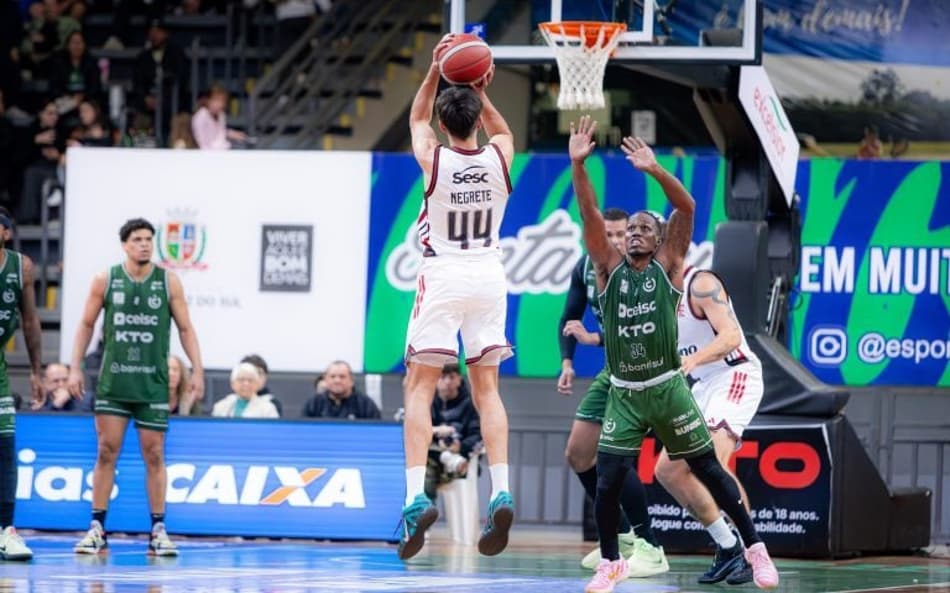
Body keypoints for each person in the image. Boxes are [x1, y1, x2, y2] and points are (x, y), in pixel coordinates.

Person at [569, 117, 779, 593]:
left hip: (698, 380)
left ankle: (753, 549)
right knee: (631, 474)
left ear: (663, 242)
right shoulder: (607, 270)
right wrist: (577, 166)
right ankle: (627, 560)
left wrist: (655, 169)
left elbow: (685, 205)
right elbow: (589, 215)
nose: (633, 235)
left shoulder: (680, 275)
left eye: (645, 228)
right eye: (628, 231)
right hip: (634, 389)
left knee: (710, 465)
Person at [399, 34, 515, 561]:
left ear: (446, 126)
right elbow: (504, 128)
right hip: (490, 275)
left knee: (418, 388)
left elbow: (417, 116)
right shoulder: (500, 157)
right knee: (487, 389)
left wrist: (435, 72)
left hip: (443, 275)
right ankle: (502, 491)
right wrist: (477, 86)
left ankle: (411, 499)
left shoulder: (433, 161)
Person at [67, 218, 204, 556]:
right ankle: (97, 527)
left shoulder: (168, 281)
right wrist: (75, 366)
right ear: (125, 245)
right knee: (105, 451)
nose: (145, 244)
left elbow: (186, 329)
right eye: (138, 239)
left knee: (155, 455)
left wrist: (198, 370)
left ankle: (158, 529)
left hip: (152, 383)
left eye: (148, 239)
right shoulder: (106, 278)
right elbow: (86, 323)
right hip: (115, 380)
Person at [557, 207, 668, 576]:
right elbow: (569, 316)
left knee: (613, 459)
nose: (617, 241)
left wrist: (595, 337)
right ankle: (620, 535)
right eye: (609, 235)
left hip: (644, 368)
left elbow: (641, 323)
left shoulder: (638, 268)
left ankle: (649, 543)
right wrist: (568, 363)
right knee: (578, 454)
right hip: (612, 370)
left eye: (622, 234)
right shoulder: (585, 267)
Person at [651, 267, 765, 584]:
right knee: (668, 471)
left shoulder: (700, 284)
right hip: (700, 386)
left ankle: (751, 552)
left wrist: (694, 360)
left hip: (734, 374)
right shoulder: (645, 296)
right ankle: (727, 546)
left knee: (710, 462)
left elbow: (731, 336)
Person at [0, 207, 43, 561]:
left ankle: (6, 530)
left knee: (4, 446)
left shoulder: (21, 267)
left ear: (6, 233)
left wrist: (35, 370)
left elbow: (30, 321)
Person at [425, 363, 481, 502]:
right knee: (423, 475)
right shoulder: (426, 402)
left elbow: (477, 435)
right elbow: (416, 433)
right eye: (443, 377)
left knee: (426, 473)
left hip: (462, 459)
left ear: (459, 379)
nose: (447, 381)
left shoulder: (470, 404)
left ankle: (451, 459)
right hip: (430, 459)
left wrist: (460, 447)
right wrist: (435, 430)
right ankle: (423, 517)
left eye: (452, 377)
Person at [301, 360, 379, 419]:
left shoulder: (365, 404)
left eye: (342, 377)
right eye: (332, 376)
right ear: (325, 380)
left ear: (351, 381)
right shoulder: (314, 403)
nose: (337, 381)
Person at [211, 362, 279, 419]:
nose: (246, 384)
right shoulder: (220, 406)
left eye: (250, 380)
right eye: (241, 379)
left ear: (257, 384)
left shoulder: (268, 409)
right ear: (232, 384)